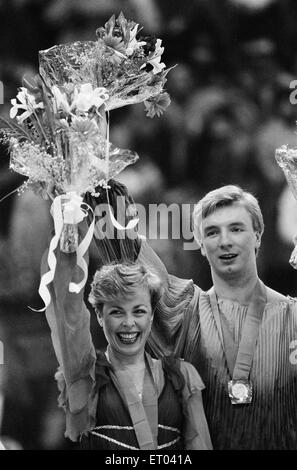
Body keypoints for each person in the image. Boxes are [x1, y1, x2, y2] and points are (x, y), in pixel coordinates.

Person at [85, 182, 297, 450]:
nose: (225, 241)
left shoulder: (294, 317)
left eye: (236, 228)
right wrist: (95, 185)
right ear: (200, 244)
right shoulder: (184, 313)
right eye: (212, 232)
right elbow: (128, 252)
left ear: (257, 235)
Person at [44, 249, 212, 450]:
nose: (129, 323)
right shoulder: (87, 375)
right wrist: (69, 245)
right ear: (99, 315)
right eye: (117, 312)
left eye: (139, 311)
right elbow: (68, 313)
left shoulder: (182, 376)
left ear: (151, 315)